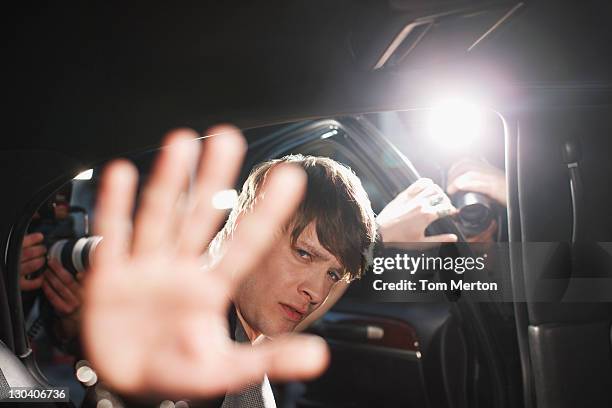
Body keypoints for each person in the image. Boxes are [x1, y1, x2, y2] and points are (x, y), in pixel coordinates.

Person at [74, 125, 458, 401]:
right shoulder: (199, 338)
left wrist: (376, 234)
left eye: (333, 274)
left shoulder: (256, 332)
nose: (317, 292)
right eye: (303, 253)